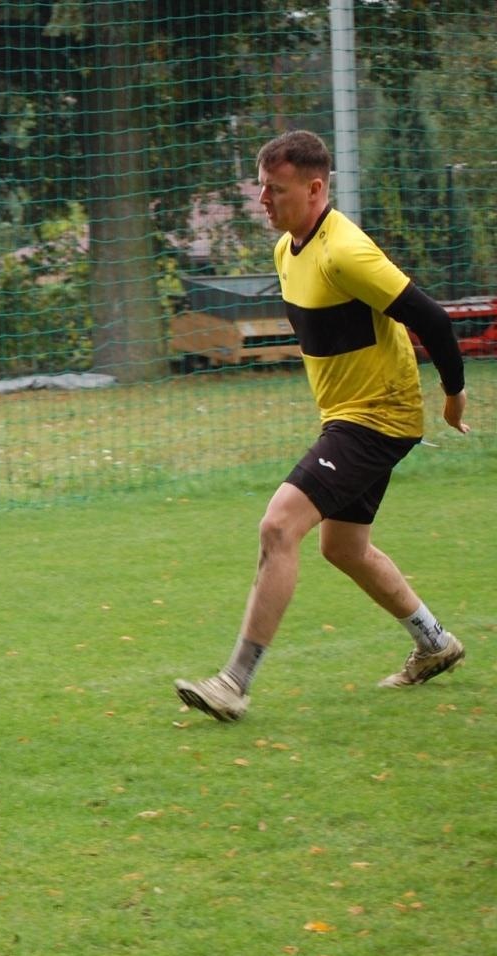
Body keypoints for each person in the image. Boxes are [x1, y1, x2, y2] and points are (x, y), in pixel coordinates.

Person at [175, 129, 469, 723]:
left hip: (378, 417)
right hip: (348, 417)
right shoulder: (289, 250)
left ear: (314, 189)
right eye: (261, 188)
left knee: (279, 526)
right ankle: (435, 642)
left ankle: (235, 681)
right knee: (344, 546)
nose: (263, 200)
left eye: (275, 190)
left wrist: (454, 395)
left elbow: (432, 318)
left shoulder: (346, 251)